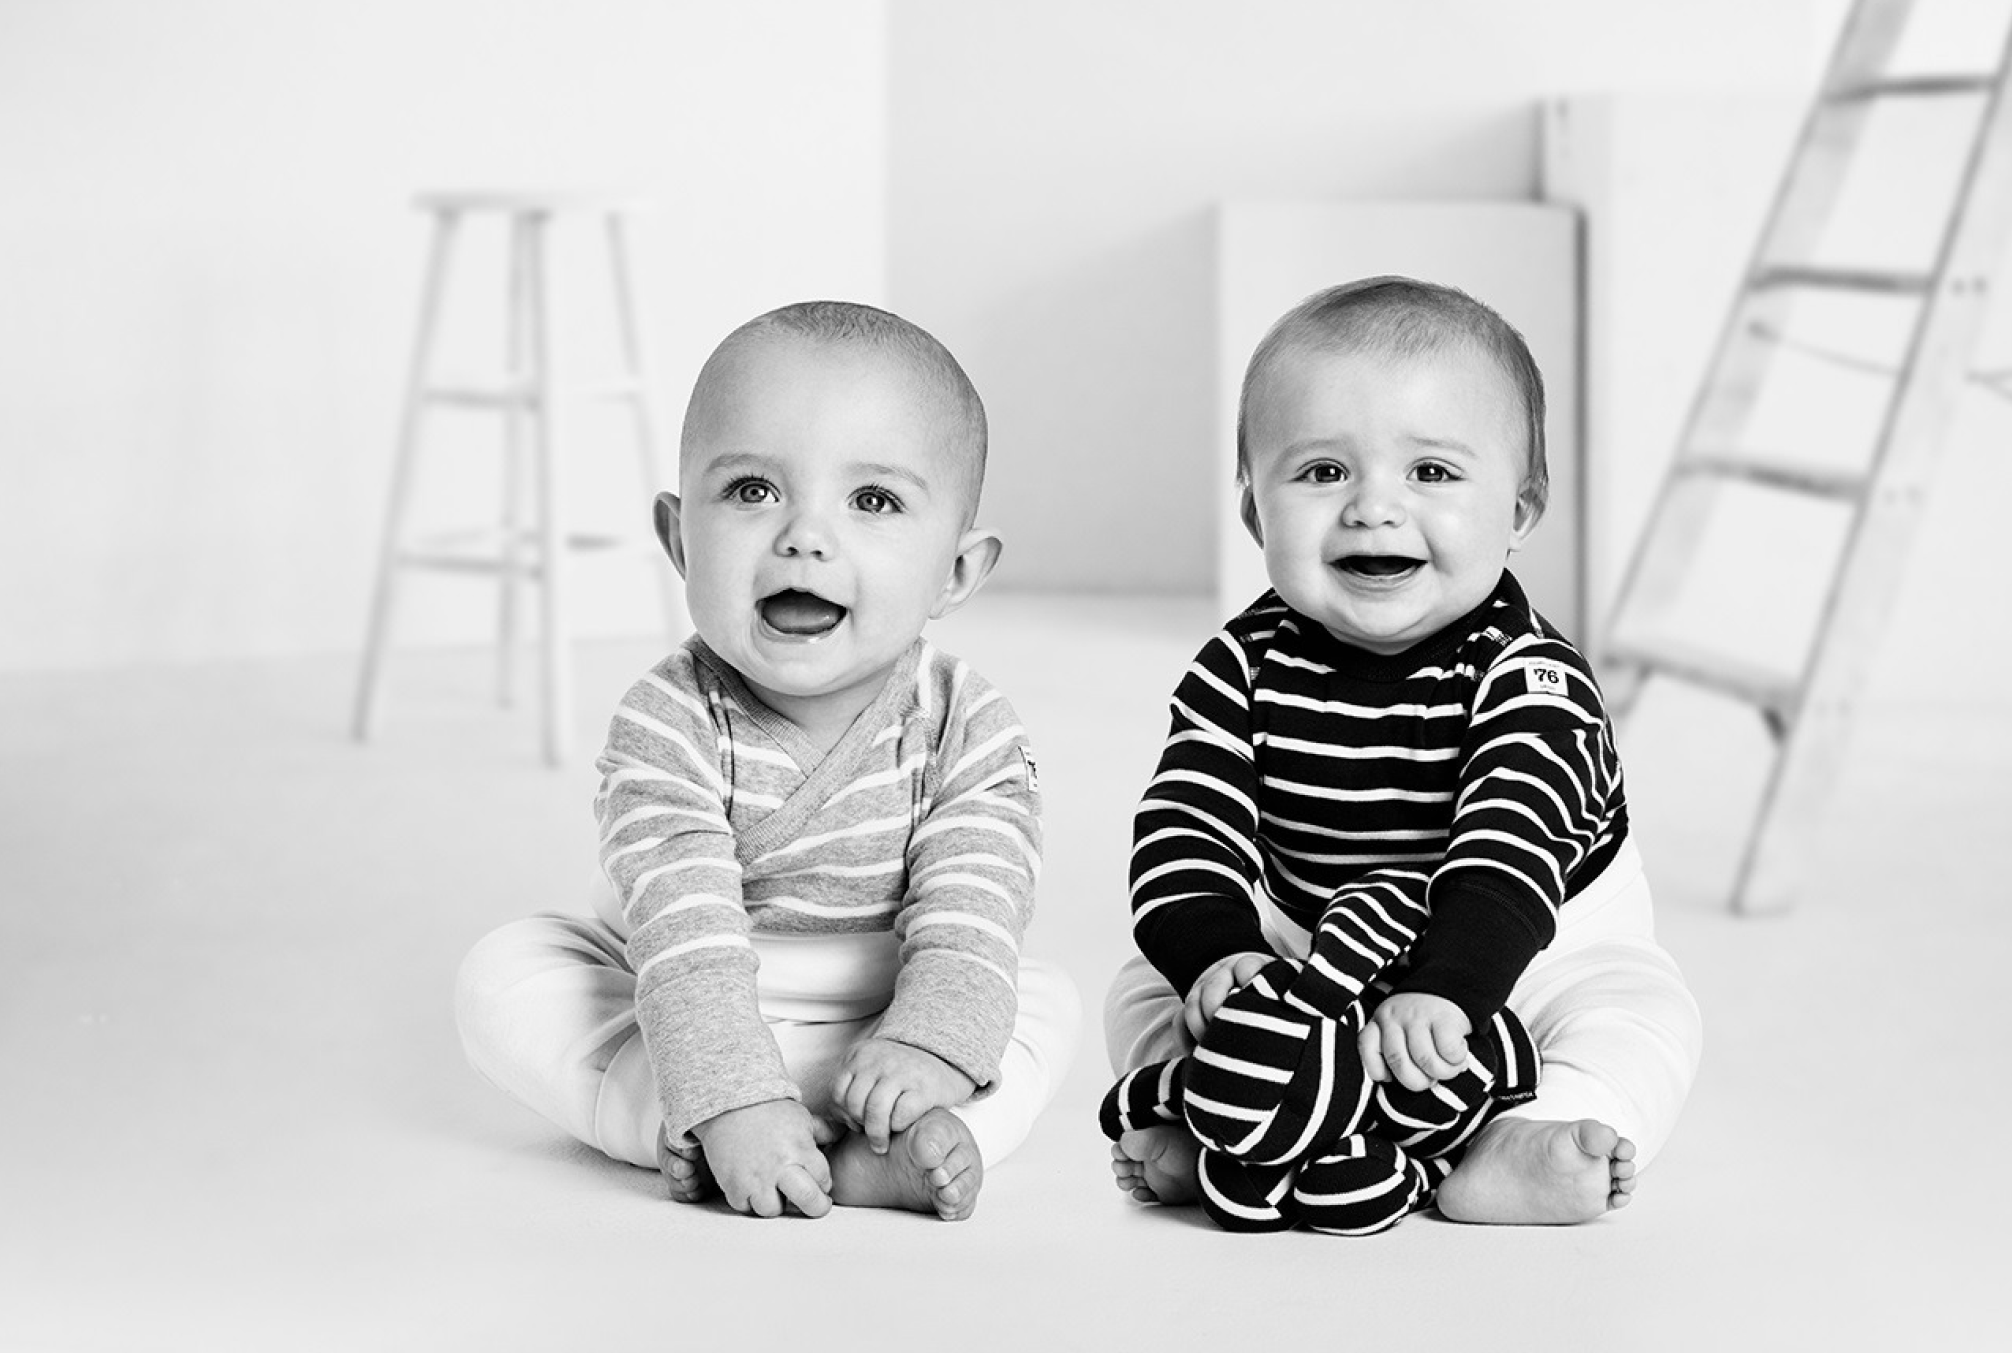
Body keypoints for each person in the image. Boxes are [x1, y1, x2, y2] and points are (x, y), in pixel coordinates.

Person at [456, 301, 1079, 1223]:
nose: (803, 535)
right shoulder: (667, 720)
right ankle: (697, 1124)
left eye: (873, 501)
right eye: (752, 490)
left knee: (1038, 1001)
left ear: (955, 572)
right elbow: (682, 925)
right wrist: (730, 1091)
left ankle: (919, 1138)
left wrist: (933, 1046)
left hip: (889, 1003)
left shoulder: (965, 724)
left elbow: (972, 908)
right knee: (503, 978)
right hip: (683, 992)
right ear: (678, 539)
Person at [1103, 276, 1702, 1225]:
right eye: (1322, 473)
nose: (1373, 509)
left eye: (1432, 473)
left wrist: (1451, 989)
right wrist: (1216, 958)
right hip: (1316, 949)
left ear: (1522, 507)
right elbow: (1186, 823)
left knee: (1640, 1016)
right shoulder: (1238, 666)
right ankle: (1220, 1112)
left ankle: (1535, 1131)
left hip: (1530, 949)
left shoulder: (1530, 676)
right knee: (1143, 986)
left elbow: (1510, 855)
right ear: (1256, 511)